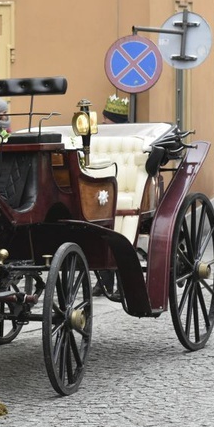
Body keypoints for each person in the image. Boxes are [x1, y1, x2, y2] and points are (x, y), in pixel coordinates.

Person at [92, 94, 129, 300]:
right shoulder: (101, 138)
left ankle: (123, 283)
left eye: (107, 119)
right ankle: (104, 281)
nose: (103, 122)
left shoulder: (126, 139)